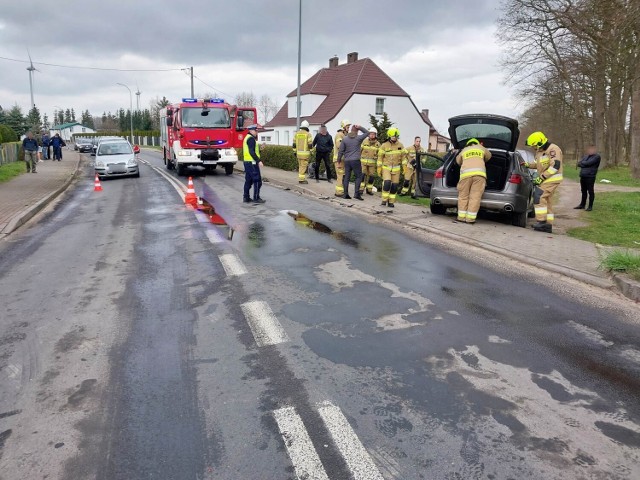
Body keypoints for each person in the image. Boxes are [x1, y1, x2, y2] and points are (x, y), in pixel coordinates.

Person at [525, 131, 564, 233]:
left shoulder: (553, 149)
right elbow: (536, 164)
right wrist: (527, 164)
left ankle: (541, 222)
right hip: (546, 179)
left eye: (534, 145)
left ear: (539, 142)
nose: (533, 148)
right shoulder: (539, 151)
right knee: (547, 199)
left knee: (539, 195)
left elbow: (555, 166)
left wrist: (541, 177)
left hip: (552, 178)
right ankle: (548, 224)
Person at [455, 138, 492, 224]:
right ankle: (470, 219)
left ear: (468, 144)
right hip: (479, 176)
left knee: (463, 196)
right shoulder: (481, 148)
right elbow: (489, 156)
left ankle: (461, 217)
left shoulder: (464, 150)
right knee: (475, 197)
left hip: (465, 176)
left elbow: (458, 161)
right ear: (477, 143)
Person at [377, 127, 408, 208]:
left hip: (396, 169)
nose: (394, 138)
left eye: (395, 136)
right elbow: (380, 157)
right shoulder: (384, 145)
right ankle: (384, 200)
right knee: (387, 183)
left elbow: (404, 157)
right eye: (392, 136)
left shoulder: (400, 145)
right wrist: (379, 168)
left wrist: (405, 166)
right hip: (386, 168)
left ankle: (391, 202)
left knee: (394, 186)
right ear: (389, 136)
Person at [337, 124, 369, 200]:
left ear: (350, 130)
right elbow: (367, 133)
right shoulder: (358, 138)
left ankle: (345, 194)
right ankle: (356, 194)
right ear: (357, 131)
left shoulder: (345, 139)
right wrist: (360, 127)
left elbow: (341, 151)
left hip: (347, 161)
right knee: (358, 176)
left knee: (347, 177)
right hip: (355, 160)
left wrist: (338, 160)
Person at [242, 125, 265, 203]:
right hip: (252, 163)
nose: (257, 132)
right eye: (256, 131)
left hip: (247, 162)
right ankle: (256, 198)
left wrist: (260, 149)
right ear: (251, 131)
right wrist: (259, 161)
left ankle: (246, 197)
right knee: (257, 180)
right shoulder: (251, 139)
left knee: (248, 180)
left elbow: (252, 151)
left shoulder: (247, 138)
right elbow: (251, 152)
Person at [575, 145, 600, 211]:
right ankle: (582, 205)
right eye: (589, 149)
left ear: (594, 150)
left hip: (590, 176)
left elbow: (588, 163)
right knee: (583, 191)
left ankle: (590, 206)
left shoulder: (597, 157)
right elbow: (579, 163)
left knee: (590, 191)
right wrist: (583, 164)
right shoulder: (586, 156)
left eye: (592, 149)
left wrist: (583, 164)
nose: (590, 150)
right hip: (583, 175)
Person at [359, 127, 380, 195]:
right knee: (362, 176)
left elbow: (380, 154)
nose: (372, 135)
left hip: (372, 164)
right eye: (370, 134)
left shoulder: (378, 144)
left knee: (371, 177)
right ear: (368, 134)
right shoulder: (364, 141)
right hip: (363, 163)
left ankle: (369, 190)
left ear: (375, 135)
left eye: (373, 134)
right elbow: (359, 150)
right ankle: (361, 189)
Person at [333, 120, 350, 197]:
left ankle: (341, 191)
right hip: (339, 160)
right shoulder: (339, 135)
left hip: (343, 159)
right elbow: (339, 145)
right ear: (343, 127)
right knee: (340, 175)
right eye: (347, 127)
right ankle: (339, 192)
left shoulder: (345, 135)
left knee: (343, 175)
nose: (348, 128)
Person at [293, 120, 313, 184]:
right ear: (307, 127)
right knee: (303, 167)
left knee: (300, 166)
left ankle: (301, 178)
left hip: (298, 154)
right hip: (305, 155)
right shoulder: (308, 134)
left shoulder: (297, 134)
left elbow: (294, 144)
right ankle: (301, 180)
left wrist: (294, 152)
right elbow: (310, 145)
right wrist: (312, 151)